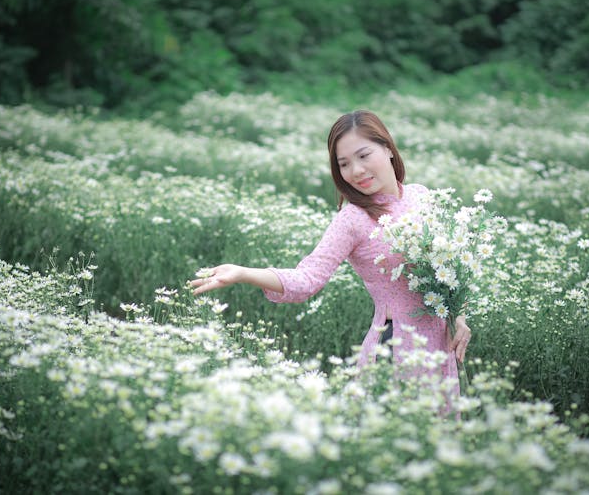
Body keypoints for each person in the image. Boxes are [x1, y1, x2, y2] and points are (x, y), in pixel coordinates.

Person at [190, 110, 472, 393]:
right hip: (396, 348)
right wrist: (242, 273)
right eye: (344, 164)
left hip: (441, 346)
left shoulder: (421, 196)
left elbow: (450, 270)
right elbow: (308, 279)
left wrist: (459, 317)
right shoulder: (353, 219)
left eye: (364, 156)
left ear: (387, 148)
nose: (357, 171)